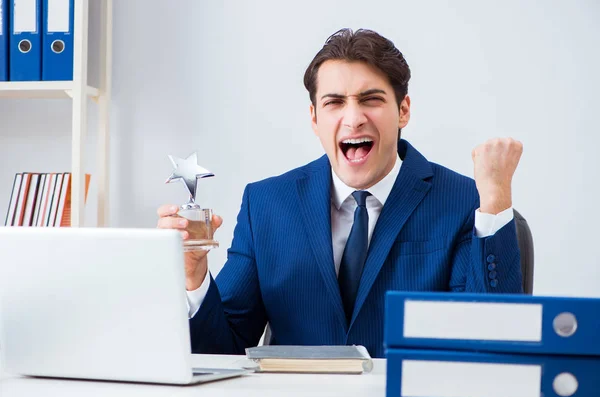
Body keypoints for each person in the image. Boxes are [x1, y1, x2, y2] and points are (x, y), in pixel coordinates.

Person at [156, 28, 524, 358]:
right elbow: (222, 351)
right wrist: (194, 277)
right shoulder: (266, 205)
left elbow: (490, 345)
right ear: (314, 118)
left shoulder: (460, 199)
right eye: (334, 103)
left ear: (403, 110)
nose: (353, 118)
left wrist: (493, 202)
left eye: (371, 99)